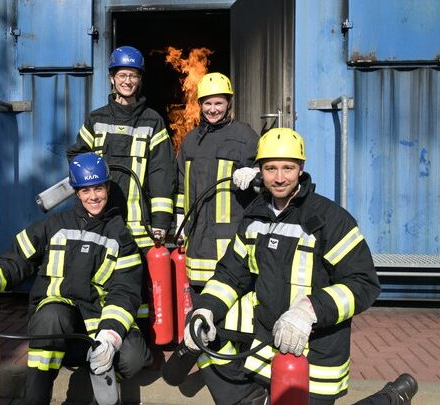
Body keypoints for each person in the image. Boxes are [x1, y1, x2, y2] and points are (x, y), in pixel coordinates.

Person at [184, 128, 382, 405]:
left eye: (288, 168)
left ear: (301, 168)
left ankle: (390, 397)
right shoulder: (254, 217)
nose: (279, 178)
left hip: (315, 356)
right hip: (267, 347)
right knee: (201, 332)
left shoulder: (330, 218)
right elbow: (230, 274)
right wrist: (205, 309)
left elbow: (363, 283)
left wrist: (309, 311)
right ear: (260, 171)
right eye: (270, 169)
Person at [0, 153, 151, 405]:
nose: (93, 197)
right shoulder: (53, 225)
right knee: (50, 317)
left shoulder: (121, 238)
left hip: (98, 324)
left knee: (133, 357)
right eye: (85, 190)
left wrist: (109, 338)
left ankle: (99, 371)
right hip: (56, 323)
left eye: (98, 188)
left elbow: (125, 292)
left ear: (107, 188)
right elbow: (16, 260)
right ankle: (36, 399)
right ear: (76, 192)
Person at [67, 46, 176, 253]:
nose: (127, 81)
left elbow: (162, 173)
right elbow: (77, 158)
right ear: (112, 78)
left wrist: (161, 222)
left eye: (133, 75)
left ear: (140, 80)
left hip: (139, 229)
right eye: (122, 75)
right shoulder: (96, 119)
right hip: (99, 222)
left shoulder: (153, 121)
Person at [175, 72, 260, 287]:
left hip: (231, 238)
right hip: (196, 238)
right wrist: (179, 220)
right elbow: (181, 185)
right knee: (198, 295)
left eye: (219, 103)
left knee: (229, 295)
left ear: (229, 103)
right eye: (208, 103)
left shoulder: (245, 136)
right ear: (200, 105)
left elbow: (269, 176)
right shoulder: (191, 141)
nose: (213, 109)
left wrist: (255, 173)